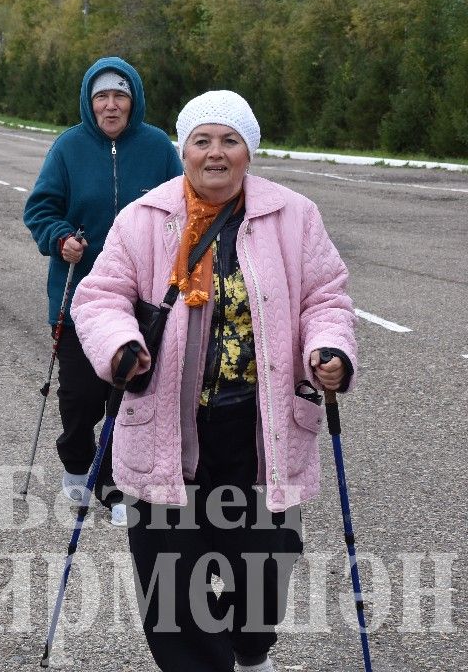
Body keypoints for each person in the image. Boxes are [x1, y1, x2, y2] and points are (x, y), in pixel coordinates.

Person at [71, 90, 357, 672]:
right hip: (164, 431)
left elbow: (326, 297)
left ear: (250, 151)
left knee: (263, 575)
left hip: (261, 431)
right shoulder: (144, 218)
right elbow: (99, 297)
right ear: (184, 151)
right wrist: (120, 346)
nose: (216, 154)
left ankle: (251, 649)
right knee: (172, 587)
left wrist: (329, 350)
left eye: (230, 141)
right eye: (202, 141)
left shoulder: (293, 216)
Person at [22, 56, 182, 527]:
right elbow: (40, 208)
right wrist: (60, 238)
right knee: (80, 397)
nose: (111, 106)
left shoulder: (156, 148)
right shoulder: (68, 148)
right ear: (90, 103)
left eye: (120, 96)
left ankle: (113, 484)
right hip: (80, 295)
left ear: (134, 101)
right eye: (102, 97)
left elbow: (181, 203)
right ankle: (76, 456)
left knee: (128, 391)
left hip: (143, 296)